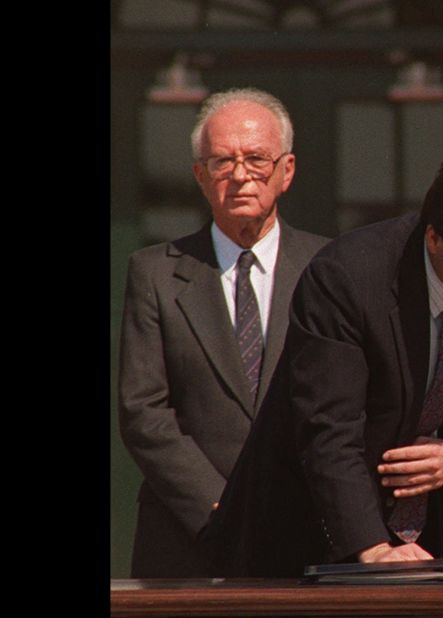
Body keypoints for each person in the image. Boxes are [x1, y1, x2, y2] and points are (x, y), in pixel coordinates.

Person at [203, 149, 443, 576]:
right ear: (434, 238)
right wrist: (372, 547)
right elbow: (330, 428)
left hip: (426, 542)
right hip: (308, 537)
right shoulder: (347, 278)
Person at [118, 87, 329, 577]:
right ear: (200, 175)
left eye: (256, 159)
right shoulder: (155, 274)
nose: (240, 175)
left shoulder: (328, 268)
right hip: (188, 537)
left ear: (287, 171)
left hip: (302, 530)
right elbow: (143, 412)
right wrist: (220, 506)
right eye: (221, 162)